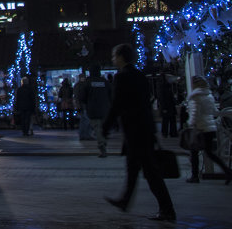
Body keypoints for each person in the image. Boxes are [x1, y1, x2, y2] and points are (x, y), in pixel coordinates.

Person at [101, 43, 176, 222]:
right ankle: (125, 201)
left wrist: (106, 127)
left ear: (120, 57)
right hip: (144, 128)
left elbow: (117, 104)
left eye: (114, 56)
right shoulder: (140, 76)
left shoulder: (122, 77)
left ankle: (167, 209)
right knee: (133, 169)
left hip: (135, 131)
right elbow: (146, 103)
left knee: (150, 172)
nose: (112, 59)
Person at [184, 76, 232, 184]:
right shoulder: (209, 95)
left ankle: (195, 176)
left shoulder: (195, 96)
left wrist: (190, 123)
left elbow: (195, 113)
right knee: (209, 153)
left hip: (199, 128)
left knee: (194, 152)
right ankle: (227, 170)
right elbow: (214, 111)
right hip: (210, 127)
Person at [83, 66, 111, 157]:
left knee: (97, 128)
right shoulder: (104, 82)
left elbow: (82, 96)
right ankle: (103, 142)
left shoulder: (88, 82)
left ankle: (102, 145)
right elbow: (111, 94)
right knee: (103, 127)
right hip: (105, 108)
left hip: (93, 109)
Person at [75, 72, 93, 140]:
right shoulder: (81, 85)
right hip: (83, 105)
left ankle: (83, 134)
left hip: (83, 105)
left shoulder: (80, 85)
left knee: (83, 121)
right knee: (86, 121)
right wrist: (78, 105)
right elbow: (77, 97)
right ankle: (85, 134)